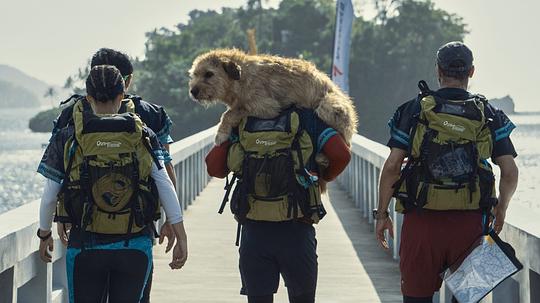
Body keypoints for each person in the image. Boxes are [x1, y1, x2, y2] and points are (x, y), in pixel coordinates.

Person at [375, 41, 519, 303]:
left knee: (416, 298)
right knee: (466, 298)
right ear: (471, 72)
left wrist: (382, 213)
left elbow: (393, 166)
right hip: (469, 225)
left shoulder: (415, 109)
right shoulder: (487, 113)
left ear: (438, 71)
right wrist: (502, 208)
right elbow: (509, 171)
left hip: (421, 222)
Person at [37, 65, 188, 303]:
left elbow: (49, 196)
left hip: (85, 247)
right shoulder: (143, 133)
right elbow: (165, 184)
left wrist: (44, 234)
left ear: (88, 98)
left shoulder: (69, 136)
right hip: (135, 244)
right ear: (122, 96)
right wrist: (181, 236)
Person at [205, 107, 351, 303]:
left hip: (254, 232)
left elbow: (214, 167)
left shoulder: (244, 117)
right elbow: (342, 155)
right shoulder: (308, 118)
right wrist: (323, 177)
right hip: (297, 230)